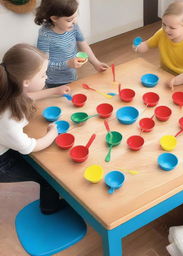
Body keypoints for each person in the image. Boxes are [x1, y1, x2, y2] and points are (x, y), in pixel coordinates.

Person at [0, 43, 70, 214]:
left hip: (7, 145)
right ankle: (49, 207)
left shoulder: (9, 88)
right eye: (42, 75)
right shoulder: (9, 119)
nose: (46, 78)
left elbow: (27, 96)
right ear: (26, 82)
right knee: (49, 177)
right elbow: (30, 147)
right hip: (2, 163)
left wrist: (54, 91)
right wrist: (52, 134)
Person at [34, 0, 108, 88]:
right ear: (54, 18)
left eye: (75, 17)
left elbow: (83, 44)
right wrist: (67, 64)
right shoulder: (45, 35)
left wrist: (96, 63)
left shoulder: (74, 27)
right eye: (69, 20)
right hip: (54, 81)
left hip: (72, 75)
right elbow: (43, 63)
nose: (75, 22)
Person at [134, 0, 183, 75]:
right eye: (164, 24)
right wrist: (138, 47)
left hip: (182, 77)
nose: (166, 30)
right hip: (163, 71)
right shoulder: (162, 33)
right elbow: (147, 44)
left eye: (172, 27)